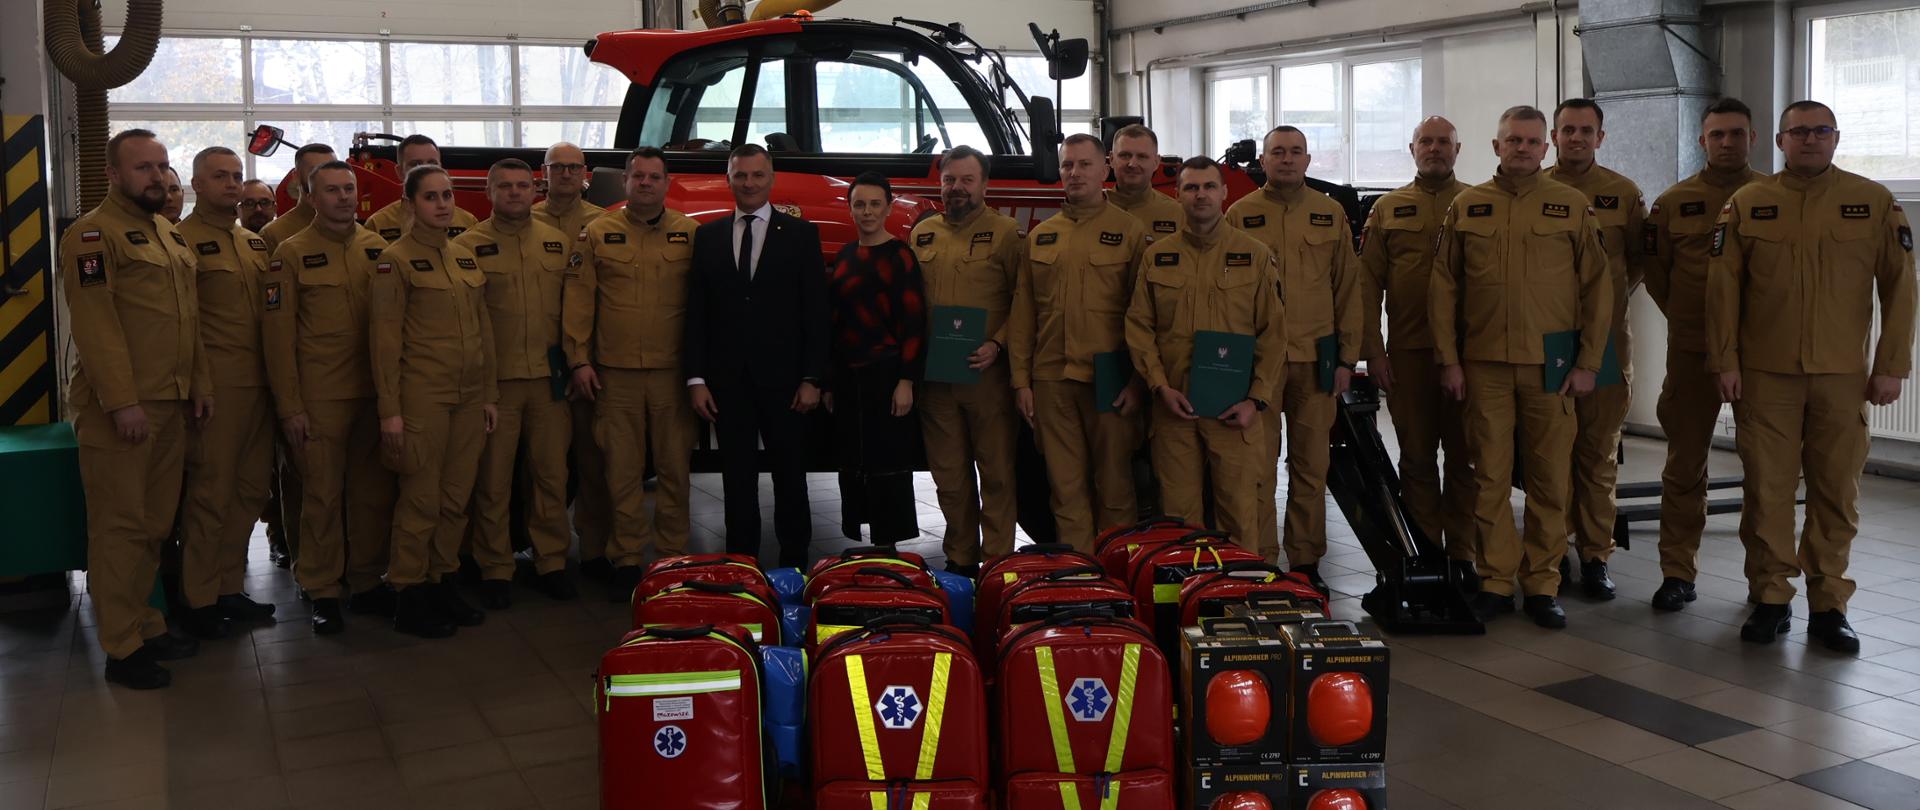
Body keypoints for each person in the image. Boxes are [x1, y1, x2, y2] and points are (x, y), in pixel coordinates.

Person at [1707, 100, 1916, 652]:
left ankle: (1829, 606)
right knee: (1767, 490)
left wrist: (1891, 364)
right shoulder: (1748, 203)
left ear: (1836, 137)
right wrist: (1724, 361)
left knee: (1835, 491)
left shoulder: (1872, 203)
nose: (1810, 140)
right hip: (1765, 376)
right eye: (1798, 132)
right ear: (1779, 142)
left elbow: (1901, 288)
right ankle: (1772, 597)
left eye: (1821, 131)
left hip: (1842, 376)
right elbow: (1722, 291)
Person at [1430, 105, 1611, 629]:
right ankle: (1494, 579)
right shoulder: (1468, 206)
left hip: (1552, 368)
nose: (1523, 149)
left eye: (1532, 142)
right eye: (1513, 140)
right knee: (1489, 476)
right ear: (1496, 145)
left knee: (1551, 480)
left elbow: (1600, 292)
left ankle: (1542, 582)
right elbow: (1444, 290)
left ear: (1546, 147)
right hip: (1484, 365)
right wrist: (1449, 360)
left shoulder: (1571, 206)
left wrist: (1589, 363)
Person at [61, 129, 210, 688]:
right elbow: (97, 328)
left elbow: (187, 319)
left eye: (161, 165)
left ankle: (146, 623)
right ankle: (121, 647)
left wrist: (200, 383)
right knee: (121, 527)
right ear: (115, 175)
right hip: (121, 409)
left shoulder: (166, 237)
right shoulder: (94, 235)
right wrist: (122, 402)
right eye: (143, 167)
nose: (155, 176)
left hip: (170, 401)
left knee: (153, 524)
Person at [262, 160, 398, 635]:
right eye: (332, 190)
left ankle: (364, 580)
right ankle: (321, 588)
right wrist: (290, 407)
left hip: (372, 396)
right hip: (319, 399)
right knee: (321, 497)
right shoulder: (291, 254)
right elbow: (277, 341)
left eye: (349, 189)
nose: (343, 198)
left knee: (372, 495)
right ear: (311, 197)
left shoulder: (379, 249)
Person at [1643, 97, 1766, 612]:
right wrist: (1697, 324)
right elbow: (1656, 275)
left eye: (1737, 133)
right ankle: (1677, 572)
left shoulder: (1773, 196)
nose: (1727, 142)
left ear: (1753, 138)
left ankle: (1766, 584)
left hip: (1761, 355)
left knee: (1765, 470)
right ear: (1702, 140)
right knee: (1685, 466)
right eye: (1717, 134)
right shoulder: (1674, 202)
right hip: (1692, 353)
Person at [1227, 125, 1363, 591]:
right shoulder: (1239, 215)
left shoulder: (1331, 215)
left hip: (1316, 361)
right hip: (1257, 366)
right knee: (1257, 467)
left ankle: (1305, 563)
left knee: (1311, 466)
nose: (1286, 159)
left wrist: (1347, 357)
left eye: (1295, 152)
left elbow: (1348, 290)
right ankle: (1261, 560)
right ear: (1263, 161)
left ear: (1308, 160)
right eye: (1277, 152)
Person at [1124, 156, 1284, 547]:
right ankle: (1189, 598)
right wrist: (1159, 387)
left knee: (1239, 513)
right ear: (1177, 195)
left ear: (1225, 193)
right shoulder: (1157, 256)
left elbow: (1274, 335)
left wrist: (1256, 401)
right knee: (1178, 519)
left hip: (1236, 412)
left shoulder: (1255, 255)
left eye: (1209, 186)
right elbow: (1139, 327)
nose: (1201, 195)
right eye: (1191, 188)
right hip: (1174, 408)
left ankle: (1243, 597)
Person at [684, 144, 829, 568]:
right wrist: (696, 378)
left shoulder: (801, 235)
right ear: (728, 179)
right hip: (727, 382)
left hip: (787, 382)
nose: (748, 183)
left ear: (771, 178)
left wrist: (812, 377)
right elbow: (697, 312)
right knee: (737, 479)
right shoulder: (708, 236)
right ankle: (741, 562)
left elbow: (816, 312)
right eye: (740, 175)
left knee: (790, 476)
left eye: (757, 175)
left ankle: (795, 562)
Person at [565, 148, 701, 598]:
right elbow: (580, 303)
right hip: (614, 376)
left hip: (671, 375)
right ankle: (625, 558)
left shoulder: (691, 234)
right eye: (637, 176)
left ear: (666, 183)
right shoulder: (597, 233)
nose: (645, 183)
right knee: (620, 474)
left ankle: (672, 559)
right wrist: (579, 360)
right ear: (626, 181)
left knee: (674, 471)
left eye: (653, 177)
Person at [371, 165, 498, 638]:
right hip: (421, 397)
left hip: (467, 399)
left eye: (447, 196)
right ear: (410, 204)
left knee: (455, 500)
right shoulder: (395, 260)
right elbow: (383, 344)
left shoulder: (465, 257)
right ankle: (408, 591)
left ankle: (441, 580)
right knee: (420, 500)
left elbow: (483, 331)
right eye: (431, 197)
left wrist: (488, 394)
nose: (442, 204)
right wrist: (391, 413)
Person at [1010, 133, 1150, 552]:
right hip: (1052, 380)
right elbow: (1023, 314)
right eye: (1068, 165)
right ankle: (1080, 577)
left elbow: (1146, 316)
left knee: (1114, 488)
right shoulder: (1042, 235)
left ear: (1104, 169)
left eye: (1084, 164)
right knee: (1065, 489)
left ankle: (1117, 579)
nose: (1074, 173)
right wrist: (1021, 381)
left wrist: (1138, 382)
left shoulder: (1129, 231)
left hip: (1111, 381)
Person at [1359, 117, 1477, 576]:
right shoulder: (1387, 209)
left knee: (1466, 459)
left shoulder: (1476, 203)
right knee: (1417, 458)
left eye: (1443, 142)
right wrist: (1375, 351)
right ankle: (1427, 552)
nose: (1434, 149)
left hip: (1470, 358)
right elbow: (1367, 288)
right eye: (1425, 142)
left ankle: (1464, 555)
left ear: (1458, 148)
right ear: (1412, 149)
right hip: (1408, 354)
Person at [456, 159, 576, 607]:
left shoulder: (558, 243)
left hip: (549, 382)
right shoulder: (467, 246)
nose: (514, 193)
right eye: (504, 186)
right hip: (496, 384)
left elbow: (575, 311)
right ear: (488, 192)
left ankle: (552, 562)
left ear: (535, 188)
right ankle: (495, 567)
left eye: (522, 185)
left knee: (551, 476)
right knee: (493, 479)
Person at [1546, 98, 1649, 601]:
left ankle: (1595, 555)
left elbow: (1638, 262)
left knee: (1598, 453)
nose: (1577, 138)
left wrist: (1602, 307)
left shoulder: (1622, 194)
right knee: (1550, 452)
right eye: (1568, 130)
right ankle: (1552, 554)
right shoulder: (1535, 189)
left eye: (1587, 130)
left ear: (1601, 138)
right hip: (1546, 341)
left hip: (1605, 342)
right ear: (1554, 136)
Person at [174, 146, 276, 640]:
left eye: (237, 176)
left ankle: (228, 588)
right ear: (197, 184)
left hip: (262, 385)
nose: (233, 184)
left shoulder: (253, 245)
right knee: (210, 495)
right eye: (220, 176)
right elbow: (183, 324)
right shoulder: (181, 241)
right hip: (217, 388)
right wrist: (197, 383)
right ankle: (198, 599)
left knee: (250, 490)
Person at [909, 146, 1023, 574]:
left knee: (995, 474)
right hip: (936, 380)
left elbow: (1024, 300)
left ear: (984, 184)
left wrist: (997, 343)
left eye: (966, 180)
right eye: (949, 180)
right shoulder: (922, 234)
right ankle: (959, 558)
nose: (956, 188)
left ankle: (997, 562)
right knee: (950, 477)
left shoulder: (1007, 233)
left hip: (987, 376)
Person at [828, 173, 928, 545]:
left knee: (888, 463)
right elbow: (834, 324)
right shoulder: (845, 256)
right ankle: (862, 539)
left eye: (874, 204)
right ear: (850, 208)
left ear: (887, 207)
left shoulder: (900, 256)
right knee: (853, 461)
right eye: (859, 204)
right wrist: (829, 382)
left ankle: (889, 544)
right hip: (849, 378)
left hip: (888, 376)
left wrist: (906, 381)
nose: (867, 211)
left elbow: (914, 323)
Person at [533, 141, 615, 580]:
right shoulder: (522, 222)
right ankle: (547, 555)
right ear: (542, 173)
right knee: (545, 466)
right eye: (556, 167)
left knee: (593, 461)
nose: (565, 174)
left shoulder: (604, 224)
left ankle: (595, 550)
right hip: (537, 361)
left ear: (584, 172)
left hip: (588, 361)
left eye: (573, 167)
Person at [365, 135, 479, 242]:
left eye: (432, 163)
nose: (425, 171)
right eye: (416, 164)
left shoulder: (468, 223)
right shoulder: (378, 225)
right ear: (400, 172)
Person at [1108, 124, 1182, 240]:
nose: (1132, 164)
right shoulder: (1092, 211)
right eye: (1125, 155)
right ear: (1111, 159)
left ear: (1156, 162)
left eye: (1142, 157)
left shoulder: (1178, 215)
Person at [260, 143, 336, 251]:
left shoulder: (352, 229)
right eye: (314, 172)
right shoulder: (274, 235)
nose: (325, 179)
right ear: (296, 177)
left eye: (332, 171)